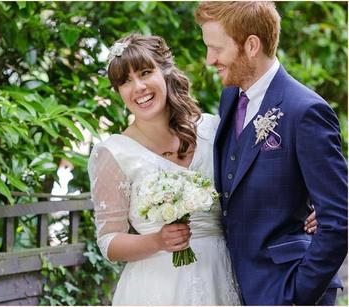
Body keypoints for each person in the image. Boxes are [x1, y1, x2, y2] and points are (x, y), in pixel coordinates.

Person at [87, 33, 317, 305]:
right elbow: (109, 241)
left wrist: (309, 204)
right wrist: (158, 241)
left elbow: (259, 175)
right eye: (125, 81)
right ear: (118, 91)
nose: (138, 87)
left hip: (222, 276)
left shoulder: (213, 129)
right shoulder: (113, 152)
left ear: (165, 72)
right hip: (155, 290)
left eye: (145, 72)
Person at [194, 1, 348, 305]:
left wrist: (298, 294)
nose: (210, 60)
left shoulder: (306, 111)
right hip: (234, 287)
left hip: (285, 288)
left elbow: (338, 219)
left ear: (252, 45)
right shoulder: (230, 98)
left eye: (216, 49)